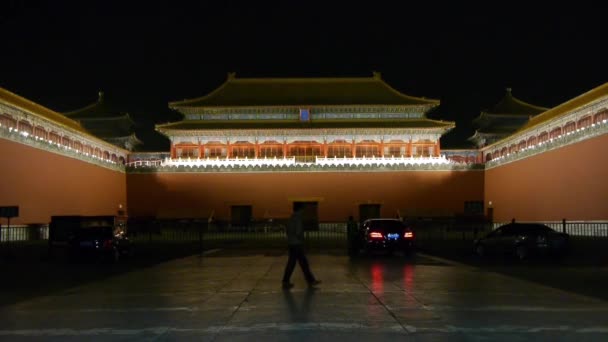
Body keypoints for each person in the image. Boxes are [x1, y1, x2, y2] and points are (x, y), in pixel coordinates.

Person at [282, 206, 320, 289]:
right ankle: (309, 280)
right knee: (300, 263)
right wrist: (302, 240)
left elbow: (288, 231)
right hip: (297, 244)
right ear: (300, 210)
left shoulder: (290, 219)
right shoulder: (298, 219)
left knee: (298, 263)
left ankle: (310, 280)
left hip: (291, 243)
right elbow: (298, 232)